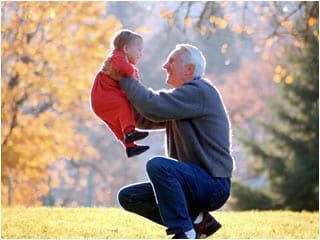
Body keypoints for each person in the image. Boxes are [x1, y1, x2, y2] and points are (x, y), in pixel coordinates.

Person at [103, 43, 235, 239]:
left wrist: (124, 76)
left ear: (189, 69)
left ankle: (185, 233)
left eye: (172, 61)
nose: (165, 65)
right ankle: (199, 222)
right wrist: (114, 101)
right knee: (129, 197)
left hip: (212, 185)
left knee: (158, 166)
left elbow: (153, 107)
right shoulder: (184, 100)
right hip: (189, 183)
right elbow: (145, 117)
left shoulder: (200, 92)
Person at [90, 29, 149, 158]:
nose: (141, 54)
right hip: (104, 97)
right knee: (125, 106)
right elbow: (127, 72)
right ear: (126, 48)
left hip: (100, 102)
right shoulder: (117, 57)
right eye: (139, 50)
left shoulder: (118, 59)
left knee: (118, 125)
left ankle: (130, 147)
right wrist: (133, 71)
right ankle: (130, 133)